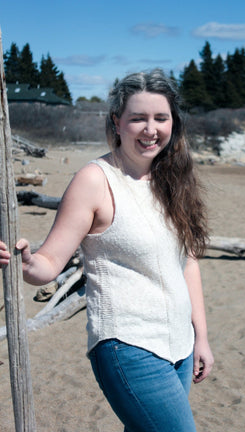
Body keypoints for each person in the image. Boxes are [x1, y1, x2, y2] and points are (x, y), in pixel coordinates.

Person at [0, 69, 214, 432]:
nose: (151, 129)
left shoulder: (171, 178)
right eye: (138, 118)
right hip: (127, 347)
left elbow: (187, 262)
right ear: (117, 122)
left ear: (173, 122)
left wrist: (201, 338)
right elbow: (49, 263)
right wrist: (26, 260)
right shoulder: (95, 180)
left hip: (179, 346)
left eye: (161, 118)